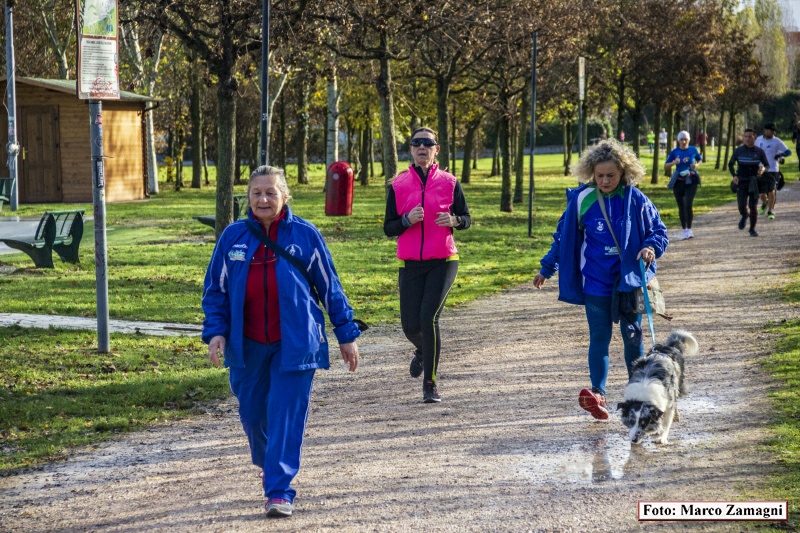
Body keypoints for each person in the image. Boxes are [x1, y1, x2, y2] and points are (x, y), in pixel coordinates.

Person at [202, 166, 362, 518]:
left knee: (285, 414)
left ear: (284, 196)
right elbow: (216, 290)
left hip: (296, 342)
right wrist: (216, 332)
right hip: (247, 344)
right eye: (256, 193)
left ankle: (279, 490)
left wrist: (345, 333)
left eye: (270, 192)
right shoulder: (232, 237)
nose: (263, 199)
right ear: (248, 198)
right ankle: (269, 462)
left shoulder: (305, 235)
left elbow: (329, 286)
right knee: (253, 414)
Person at [532, 139, 668, 420]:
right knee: (599, 337)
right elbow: (563, 238)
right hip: (595, 281)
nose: (605, 181)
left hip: (629, 281)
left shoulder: (635, 199)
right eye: (600, 175)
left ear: (623, 173)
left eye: (611, 175)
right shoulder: (582, 200)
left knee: (633, 337)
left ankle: (637, 395)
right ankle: (598, 394)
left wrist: (650, 247)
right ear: (591, 173)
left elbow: (658, 231)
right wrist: (547, 268)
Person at [383, 127, 471, 403]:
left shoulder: (450, 182)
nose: (422, 147)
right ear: (411, 149)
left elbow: (466, 218)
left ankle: (430, 384)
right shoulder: (398, 185)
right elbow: (388, 227)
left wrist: (455, 221)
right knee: (410, 326)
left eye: (427, 143)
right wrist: (406, 220)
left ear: (436, 149)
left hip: (443, 261)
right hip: (410, 263)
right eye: (417, 143)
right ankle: (423, 352)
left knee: (429, 318)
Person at [728, 129, 769, 237]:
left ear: (754, 138)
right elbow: (730, 164)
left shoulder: (759, 151)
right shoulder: (738, 150)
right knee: (741, 205)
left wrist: (763, 169)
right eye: (745, 136)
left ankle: (752, 229)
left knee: (753, 206)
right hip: (741, 181)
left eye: (749, 137)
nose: (747, 139)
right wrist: (734, 176)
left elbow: (766, 164)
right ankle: (744, 215)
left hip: (754, 181)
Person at [664, 130, 703, 240]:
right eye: (681, 139)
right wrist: (674, 163)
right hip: (678, 181)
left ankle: (689, 229)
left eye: (686, 139)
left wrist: (696, 165)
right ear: (678, 140)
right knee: (681, 206)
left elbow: (700, 159)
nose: (684, 141)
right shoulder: (675, 151)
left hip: (691, 180)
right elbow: (665, 166)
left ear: (688, 140)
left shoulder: (693, 150)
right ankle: (684, 229)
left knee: (688, 204)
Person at [755, 123, 791, 219]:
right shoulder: (758, 140)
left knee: (772, 192)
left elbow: (788, 152)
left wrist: (780, 156)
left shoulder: (777, 141)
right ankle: (765, 203)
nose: (770, 132)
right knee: (762, 194)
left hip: (773, 169)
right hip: (761, 169)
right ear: (765, 130)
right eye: (769, 130)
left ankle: (771, 211)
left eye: (772, 131)